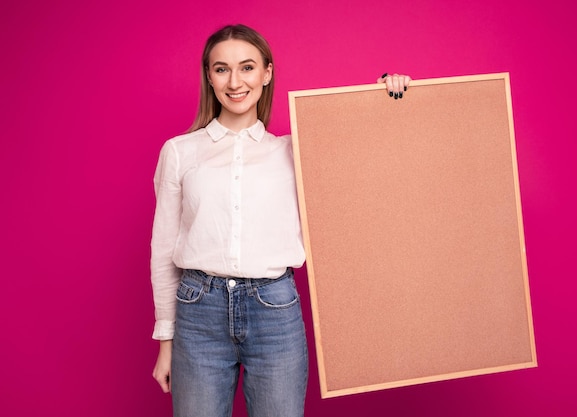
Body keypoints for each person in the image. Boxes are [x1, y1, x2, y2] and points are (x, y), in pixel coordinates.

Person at [150, 24, 411, 417]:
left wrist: (386, 94)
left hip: (274, 310)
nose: (235, 81)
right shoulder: (179, 152)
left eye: (247, 67)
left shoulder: (295, 151)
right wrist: (165, 342)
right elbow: (163, 250)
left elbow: (368, 152)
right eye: (222, 69)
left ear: (267, 73)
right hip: (199, 313)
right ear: (209, 76)